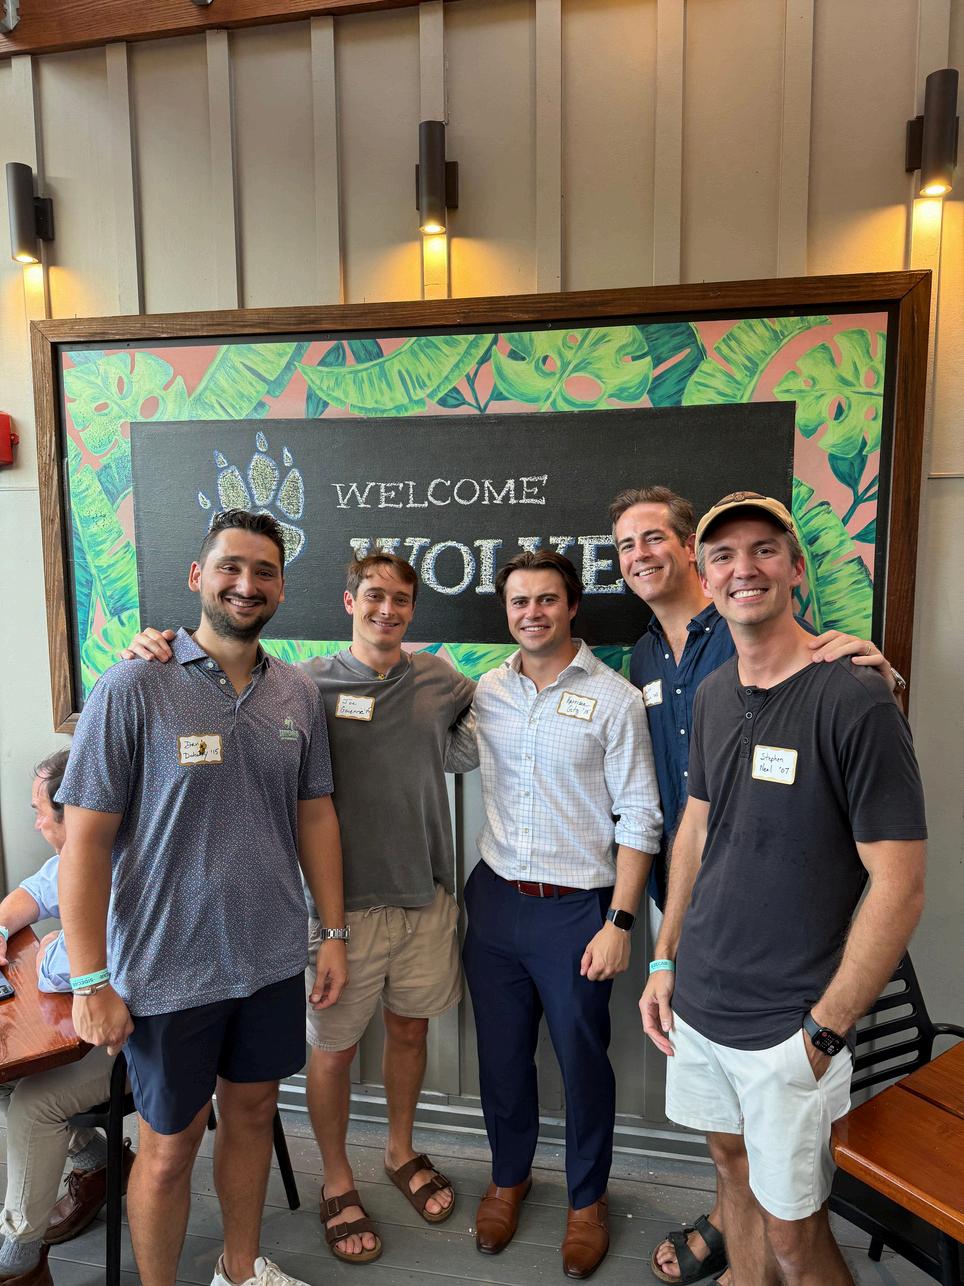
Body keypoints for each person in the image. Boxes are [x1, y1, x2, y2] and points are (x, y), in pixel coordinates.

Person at [121, 550, 476, 1264]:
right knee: (331, 1052)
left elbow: (493, 705)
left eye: (401, 600)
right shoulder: (302, 686)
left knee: (410, 1033)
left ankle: (400, 1151)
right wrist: (148, 648)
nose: (386, 610)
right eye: (373, 596)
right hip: (334, 912)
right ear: (348, 602)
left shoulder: (443, 680)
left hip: (423, 896)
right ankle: (336, 1179)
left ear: (414, 609)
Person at [610, 484, 899, 1285]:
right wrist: (665, 957)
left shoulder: (848, 688)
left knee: (794, 1236)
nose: (745, 569)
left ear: (797, 569)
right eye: (727, 556)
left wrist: (825, 1031)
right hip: (701, 987)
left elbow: (899, 882)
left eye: (766, 550)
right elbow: (694, 824)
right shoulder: (688, 679)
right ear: (708, 575)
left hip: (789, 1013)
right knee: (729, 1161)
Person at [56, 509, 346, 1286]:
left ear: (281, 587)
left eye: (264, 572)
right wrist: (90, 979)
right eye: (230, 567)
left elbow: (316, 816)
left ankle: (239, 1272)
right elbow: (84, 844)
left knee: (252, 1116)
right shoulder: (133, 686)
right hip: (167, 971)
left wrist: (334, 934)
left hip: (271, 959)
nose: (246, 584)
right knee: (167, 1149)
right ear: (197, 576)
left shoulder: (295, 693)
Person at [450, 549, 662, 1280]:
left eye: (546, 599)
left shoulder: (615, 699)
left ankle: (586, 1201)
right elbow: (441, 747)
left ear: (572, 606)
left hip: (578, 913)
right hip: (496, 901)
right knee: (502, 1058)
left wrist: (621, 923)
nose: (532, 613)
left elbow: (640, 816)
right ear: (506, 611)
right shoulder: (487, 691)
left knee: (582, 1061)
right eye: (519, 601)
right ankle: (508, 1180)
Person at [0, 751, 129, 1286]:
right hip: (99, 1026)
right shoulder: (79, 854)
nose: (35, 824)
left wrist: (56, 948)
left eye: (40, 812)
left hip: (145, 1041)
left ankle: (21, 1255)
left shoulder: (126, 865)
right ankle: (100, 1161)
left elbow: (67, 970)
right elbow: (30, 894)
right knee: (8, 1079)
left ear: (72, 816)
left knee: (34, 1102)